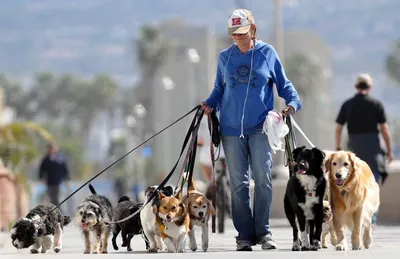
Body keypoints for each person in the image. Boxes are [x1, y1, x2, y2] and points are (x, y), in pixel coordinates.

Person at [200, 9, 302, 251]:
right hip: (231, 130)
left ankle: (264, 232)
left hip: (260, 128)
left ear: (253, 29)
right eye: (233, 33)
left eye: (242, 32)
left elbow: (285, 86)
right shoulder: (225, 57)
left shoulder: (267, 53)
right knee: (238, 183)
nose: (237, 37)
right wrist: (209, 103)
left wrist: (292, 104)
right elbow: (218, 89)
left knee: (263, 179)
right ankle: (244, 235)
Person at [335, 73, 393, 225]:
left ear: (356, 86)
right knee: (372, 183)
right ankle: (370, 218)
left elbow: (339, 128)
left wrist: (338, 147)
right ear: (370, 87)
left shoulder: (348, 104)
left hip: (354, 150)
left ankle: (354, 217)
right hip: (373, 149)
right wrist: (389, 150)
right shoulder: (376, 103)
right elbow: (384, 129)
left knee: (353, 184)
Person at [38, 142, 70, 207]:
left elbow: (65, 169)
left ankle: (61, 214)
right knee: (52, 199)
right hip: (49, 182)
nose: (50, 150)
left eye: (51, 148)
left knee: (58, 199)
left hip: (59, 182)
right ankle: (55, 214)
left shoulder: (60, 158)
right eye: (49, 148)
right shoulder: (46, 159)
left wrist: (67, 179)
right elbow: (41, 169)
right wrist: (42, 178)